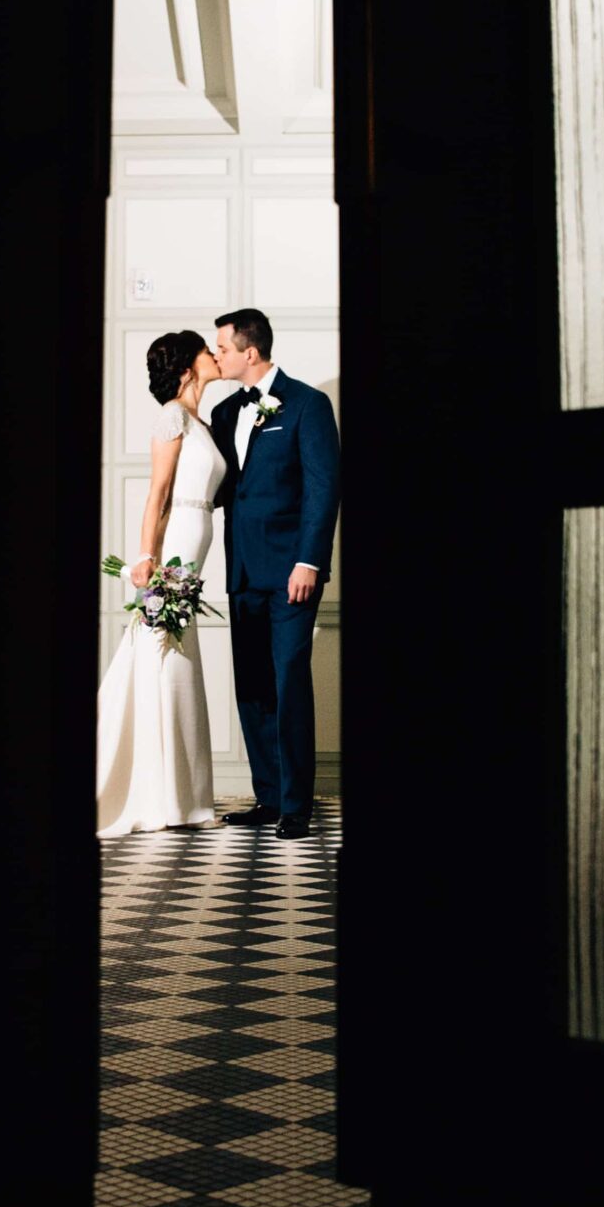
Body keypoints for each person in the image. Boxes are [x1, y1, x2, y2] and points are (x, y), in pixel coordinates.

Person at [207, 308, 340, 841]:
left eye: (222, 348)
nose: (216, 356)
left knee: (289, 685)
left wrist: (309, 561)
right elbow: (224, 488)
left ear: (250, 351)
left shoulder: (308, 404)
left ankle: (295, 806)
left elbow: (323, 487)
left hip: (291, 573)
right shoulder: (223, 412)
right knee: (254, 687)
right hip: (241, 570)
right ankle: (268, 797)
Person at [95, 331, 227, 836]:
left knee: (174, 651)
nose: (215, 355)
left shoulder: (200, 421)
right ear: (188, 367)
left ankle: (182, 796)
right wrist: (146, 557)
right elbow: (158, 494)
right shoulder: (173, 417)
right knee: (163, 651)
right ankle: (161, 795)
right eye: (206, 351)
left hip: (196, 541)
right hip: (176, 546)